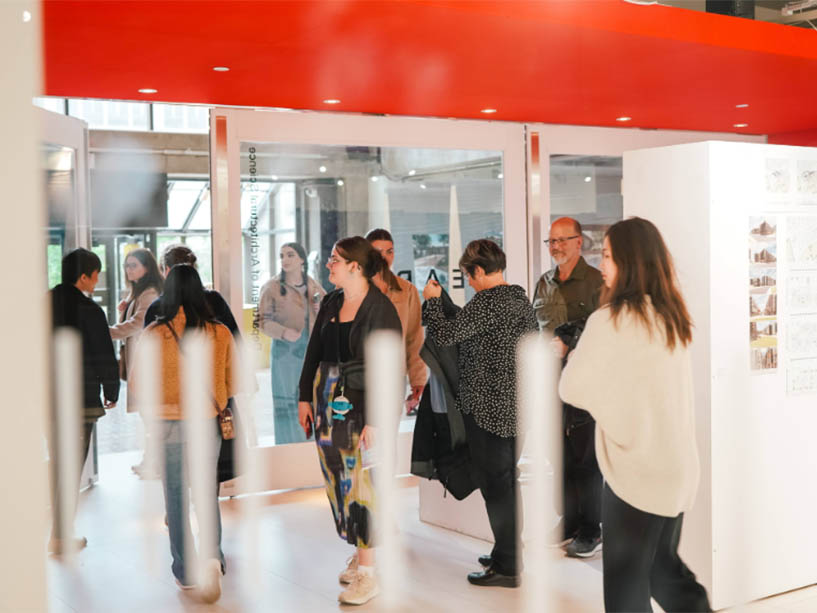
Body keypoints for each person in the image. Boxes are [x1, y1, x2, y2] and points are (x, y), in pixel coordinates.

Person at [560, 217, 711, 612]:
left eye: (608, 255)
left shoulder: (609, 321)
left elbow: (570, 388)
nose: (603, 263)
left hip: (636, 473)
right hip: (676, 468)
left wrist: (576, 357)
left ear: (628, 261)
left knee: (626, 589)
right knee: (665, 573)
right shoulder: (671, 316)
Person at [423, 239, 537, 588]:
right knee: (506, 483)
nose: (468, 282)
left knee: (496, 486)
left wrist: (430, 304)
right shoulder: (519, 298)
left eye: (468, 275)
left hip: (488, 409)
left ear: (479, 271)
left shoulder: (487, 302)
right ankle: (508, 552)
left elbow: (444, 336)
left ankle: (507, 567)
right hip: (518, 406)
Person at [297, 236, 401, 606]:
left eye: (334, 260)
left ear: (355, 266)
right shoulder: (332, 301)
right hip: (327, 401)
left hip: (363, 404)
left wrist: (376, 418)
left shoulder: (381, 308)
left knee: (362, 484)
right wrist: (303, 397)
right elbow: (313, 352)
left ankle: (369, 573)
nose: (328, 266)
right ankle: (361, 554)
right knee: (337, 481)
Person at [137, 264, 235, 603]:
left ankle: (185, 570)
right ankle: (213, 558)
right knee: (207, 493)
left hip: (169, 423)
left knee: (176, 497)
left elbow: (139, 385)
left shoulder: (154, 333)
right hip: (208, 421)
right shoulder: (219, 332)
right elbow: (232, 381)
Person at [532, 216, 604, 557]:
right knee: (556, 454)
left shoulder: (596, 282)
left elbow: (603, 330)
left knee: (585, 457)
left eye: (563, 240)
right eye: (551, 241)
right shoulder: (543, 283)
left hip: (585, 382)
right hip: (549, 381)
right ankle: (569, 520)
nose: (556, 246)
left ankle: (592, 528)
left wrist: (569, 343)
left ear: (580, 241)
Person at [49, 248, 119, 554]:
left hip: (46, 398)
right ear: (84, 276)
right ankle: (61, 536)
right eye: (96, 274)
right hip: (78, 399)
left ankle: (59, 532)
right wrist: (111, 390)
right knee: (71, 464)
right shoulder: (90, 310)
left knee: (57, 463)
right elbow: (104, 353)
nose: (97, 280)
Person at [259, 242, 325, 444]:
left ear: (302, 260)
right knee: (287, 404)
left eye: (290, 255)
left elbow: (327, 310)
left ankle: (309, 449)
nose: (285, 260)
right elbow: (261, 321)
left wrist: (318, 307)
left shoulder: (313, 285)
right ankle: (288, 450)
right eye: (282, 256)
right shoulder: (272, 287)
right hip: (285, 354)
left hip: (309, 351)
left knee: (310, 399)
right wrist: (283, 332)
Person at [108, 248, 163, 477]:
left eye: (133, 265)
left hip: (147, 361)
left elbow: (138, 323)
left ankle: (155, 462)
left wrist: (107, 332)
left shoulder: (148, 293)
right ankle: (152, 460)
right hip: (143, 358)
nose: (128, 269)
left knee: (151, 415)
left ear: (147, 268)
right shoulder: (138, 292)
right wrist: (124, 309)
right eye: (127, 265)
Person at [365, 229, 427, 414]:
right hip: (360, 376)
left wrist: (418, 379)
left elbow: (414, 337)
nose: (384, 257)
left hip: (393, 376)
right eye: (378, 252)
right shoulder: (354, 289)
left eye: (389, 251)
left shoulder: (407, 290)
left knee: (388, 435)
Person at [144, 244, 239, 337]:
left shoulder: (157, 306)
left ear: (167, 271)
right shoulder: (215, 300)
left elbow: (146, 347)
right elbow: (235, 338)